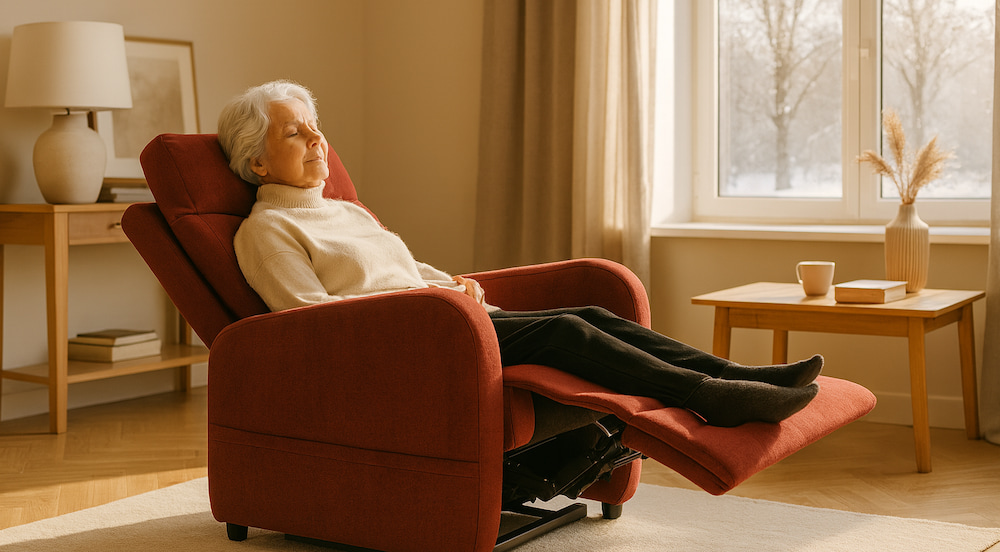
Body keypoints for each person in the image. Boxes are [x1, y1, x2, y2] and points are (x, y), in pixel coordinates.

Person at [218, 80, 821, 427]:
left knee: (592, 317)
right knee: (566, 330)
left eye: (314, 126)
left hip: (441, 318)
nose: (317, 139)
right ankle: (711, 397)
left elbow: (395, 266)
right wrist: (431, 302)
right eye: (293, 132)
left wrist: (448, 281)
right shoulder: (265, 232)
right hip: (405, 343)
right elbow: (310, 323)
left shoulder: (344, 210)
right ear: (257, 162)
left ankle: (735, 375)